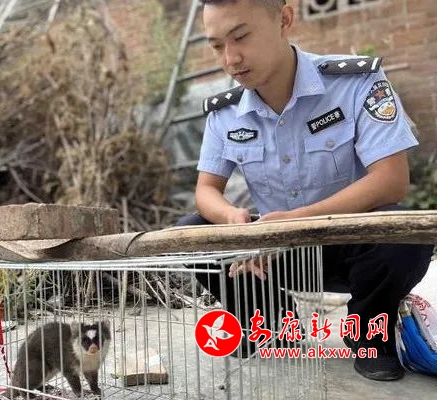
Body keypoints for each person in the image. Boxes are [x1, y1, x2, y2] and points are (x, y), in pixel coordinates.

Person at [176, 0, 435, 381]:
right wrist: (236, 224)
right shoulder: (225, 112)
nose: (230, 59)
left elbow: (391, 179)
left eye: (241, 37)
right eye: (217, 46)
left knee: (405, 234)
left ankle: (369, 333)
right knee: (192, 230)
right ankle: (270, 323)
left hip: (352, 246)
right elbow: (206, 191)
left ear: (284, 19)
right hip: (273, 256)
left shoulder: (355, 83)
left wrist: (294, 223)